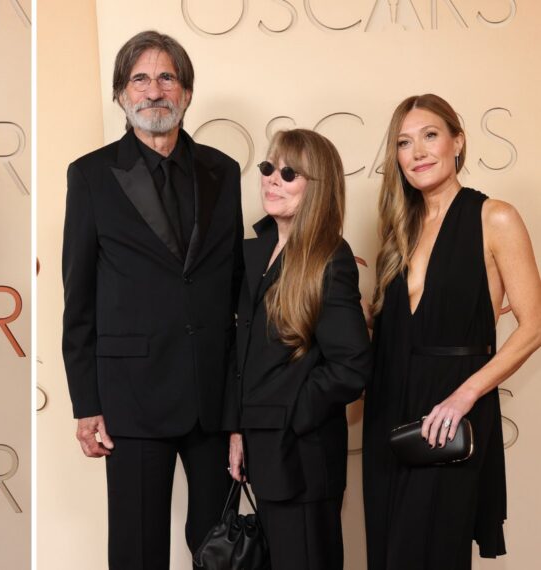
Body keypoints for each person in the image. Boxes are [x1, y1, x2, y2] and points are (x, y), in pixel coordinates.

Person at [61, 30, 243, 568]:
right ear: (121, 94)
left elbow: (236, 287)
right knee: (137, 552)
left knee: (221, 551)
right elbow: (80, 296)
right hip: (131, 398)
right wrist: (85, 402)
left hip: (212, 397)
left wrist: (240, 402)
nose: (154, 90)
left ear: (186, 93)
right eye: (139, 78)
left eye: (167, 77)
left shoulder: (223, 171)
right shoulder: (90, 175)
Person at [362, 94, 541, 569]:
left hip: (450, 410)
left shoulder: (494, 216)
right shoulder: (399, 227)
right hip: (390, 407)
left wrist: (465, 397)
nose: (417, 151)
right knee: (388, 551)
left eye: (430, 135)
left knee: (434, 551)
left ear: (457, 142)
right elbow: (395, 326)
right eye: (403, 142)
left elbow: (534, 325)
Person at [224, 129, 370, 569]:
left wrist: (289, 416)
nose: (272, 179)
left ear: (318, 185)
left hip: (303, 461)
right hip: (261, 451)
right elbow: (243, 355)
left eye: (289, 173)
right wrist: (239, 429)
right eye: (268, 168)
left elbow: (352, 365)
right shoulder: (260, 249)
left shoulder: (329, 256)